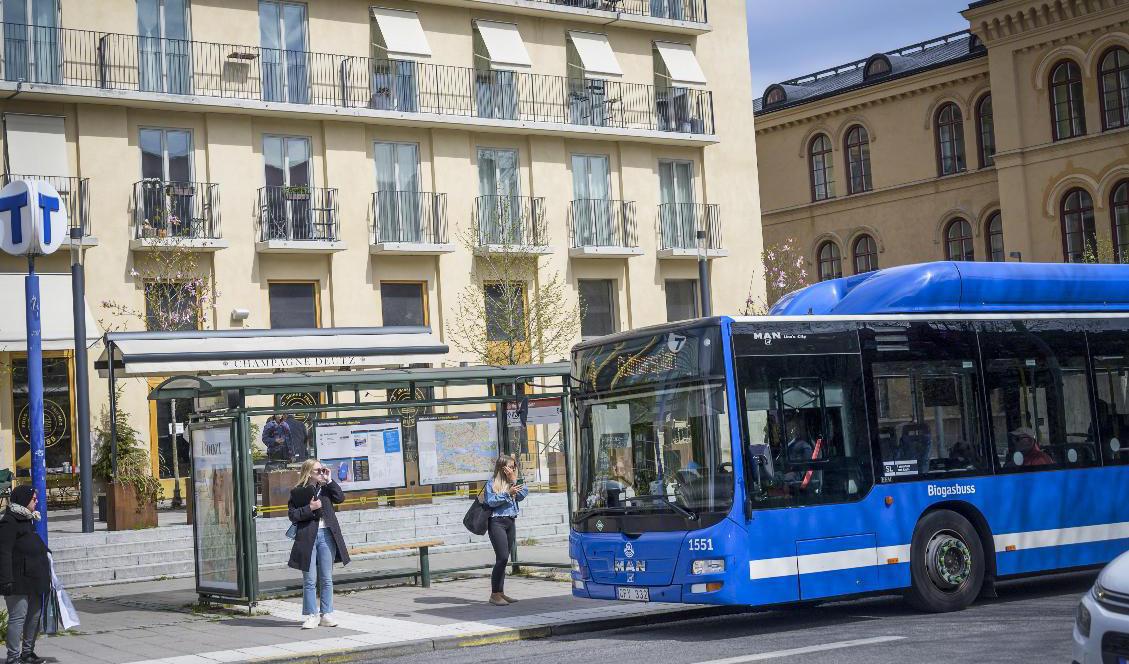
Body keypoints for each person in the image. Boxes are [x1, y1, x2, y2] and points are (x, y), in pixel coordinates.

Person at [288, 459, 350, 629]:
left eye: (322, 470)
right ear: (308, 472)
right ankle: (311, 615)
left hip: (327, 535)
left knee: (326, 578)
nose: (321, 473)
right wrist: (310, 508)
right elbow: (293, 515)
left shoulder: (327, 488)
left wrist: (329, 479)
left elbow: (340, 498)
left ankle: (327, 614)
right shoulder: (298, 492)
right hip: (308, 537)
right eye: (318, 470)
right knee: (309, 579)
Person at [0, 486, 50, 664]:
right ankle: (13, 657)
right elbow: (4, 552)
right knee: (18, 618)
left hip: (34, 578)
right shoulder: (9, 522)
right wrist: (6, 581)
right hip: (18, 580)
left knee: (34, 616)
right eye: (33, 498)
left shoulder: (27, 519)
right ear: (23, 499)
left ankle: (27, 653)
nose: (36, 501)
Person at [484, 455, 528, 606]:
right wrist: (507, 493)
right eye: (510, 467)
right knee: (502, 557)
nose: (513, 469)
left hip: (510, 521)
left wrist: (514, 480)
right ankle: (494, 594)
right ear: (502, 467)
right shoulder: (491, 483)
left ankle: (500, 593)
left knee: (505, 559)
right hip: (496, 522)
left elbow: (523, 495)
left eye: (514, 466)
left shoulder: (515, 481)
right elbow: (490, 501)